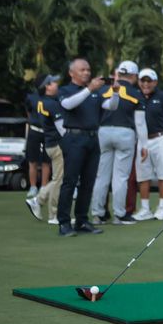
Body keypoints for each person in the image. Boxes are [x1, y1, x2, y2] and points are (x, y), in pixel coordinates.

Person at [55, 57, 111, 236]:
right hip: (74, 139)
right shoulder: (65, 90)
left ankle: (82, 220)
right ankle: (64, 222)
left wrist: (116, 93)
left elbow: (111, 106)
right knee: (70, 181)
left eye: (88, 69)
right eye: (82, 70)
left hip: (93, 139)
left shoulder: (96, 92)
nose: (87, 72)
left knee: (88, 182)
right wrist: (89, 89)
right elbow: (68, 104)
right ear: (72, 73)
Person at [92, 60, 142, 225]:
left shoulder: (104, 90)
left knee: (101, 176)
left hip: (103, 131)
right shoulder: (135, 93)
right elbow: (140, 122)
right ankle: (119, 214)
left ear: (119, 73)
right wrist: (144, 144)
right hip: (125, 132)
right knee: (120, 177)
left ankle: (98, 214)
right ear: (134, 76)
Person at [133, 68, 163, 221]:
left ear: (155, 82)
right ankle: (145, 209)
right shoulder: (136, 96)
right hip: (142, 141)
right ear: (139, 82)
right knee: (142, 175)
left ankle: (162, 208)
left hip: (161, 139)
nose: (145, 84)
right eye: (142, 81)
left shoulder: (162, 96)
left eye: (149, 81)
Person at [32, 76, 63, 224]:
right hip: (57, 145)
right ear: (47, 87)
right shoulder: (52, 104)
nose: (56, 84)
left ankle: (38, 200)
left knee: (58, 178)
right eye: (52, 83)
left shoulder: (42, 102)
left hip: (50, 144)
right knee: (58, 179)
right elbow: (62, 129)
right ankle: (53, 215)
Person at [24, 73, 52, 212]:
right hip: (35, 131)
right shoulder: (31, 97)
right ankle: (33, 187)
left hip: (48, 132)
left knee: (47, 161)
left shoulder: (52, 97)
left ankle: (44, 187)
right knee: (33, 161)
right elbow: (29, 113)